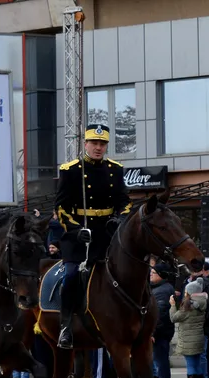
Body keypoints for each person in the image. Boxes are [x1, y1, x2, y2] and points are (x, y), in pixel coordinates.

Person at [54, 123, 132, 349]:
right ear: (85, 144)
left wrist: (121, 218)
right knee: (70, 275)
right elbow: (60, 208)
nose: (98, 148)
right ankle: (66, 326)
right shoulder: (71, 170)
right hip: (78, 235)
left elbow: (124, 201)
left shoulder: (115, 169)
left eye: (102, 144)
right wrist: (76, 230)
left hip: (106, 233)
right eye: (94, 143)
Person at [170, 277, 208, 378]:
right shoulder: (201, 303)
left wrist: (172, 306)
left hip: (188, 339)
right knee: (197, 363)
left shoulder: (188, 306)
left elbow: (174, 318)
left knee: (191, 364)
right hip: (198, 337)